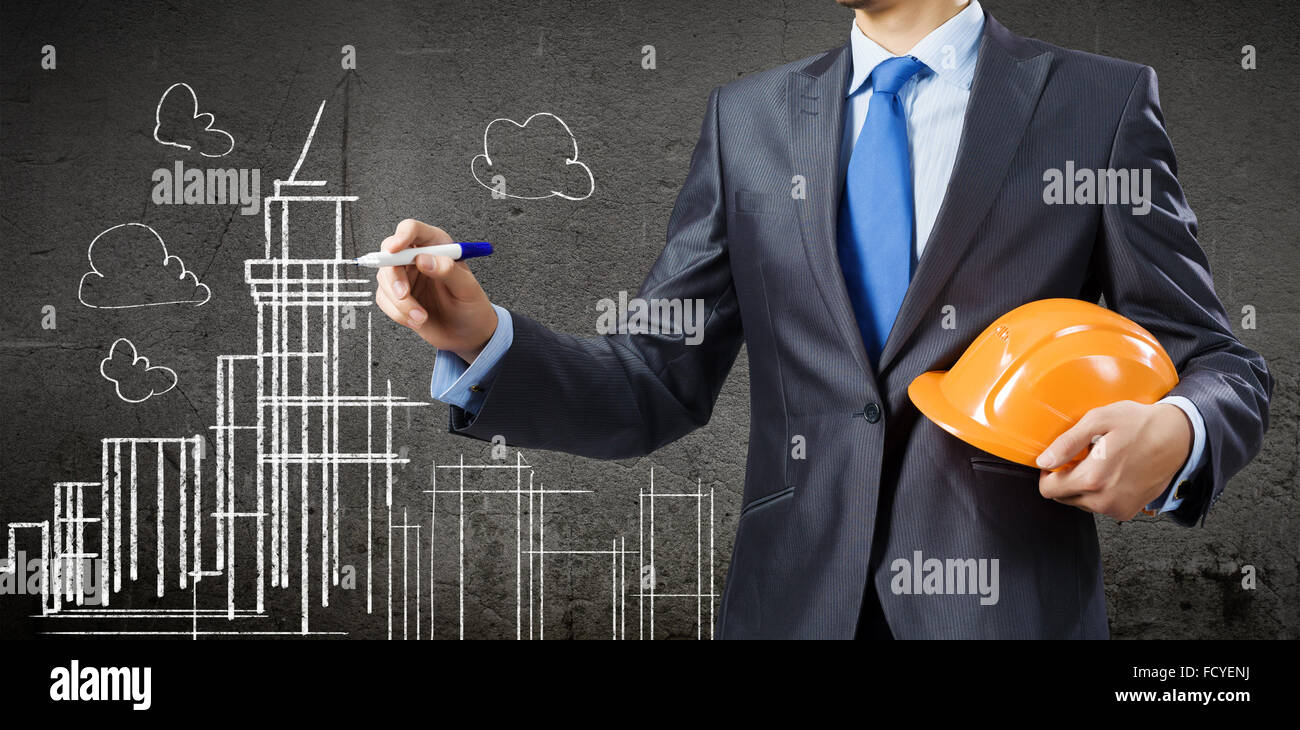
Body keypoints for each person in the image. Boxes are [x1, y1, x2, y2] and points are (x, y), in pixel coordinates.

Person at [371, 0, 1272, 638]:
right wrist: (478, 338)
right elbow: (656, 379)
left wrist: (1179, 431)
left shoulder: (1097, 105)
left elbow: (1219, 361)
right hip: (790, 606)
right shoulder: (748, 121)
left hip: (1009, 613)